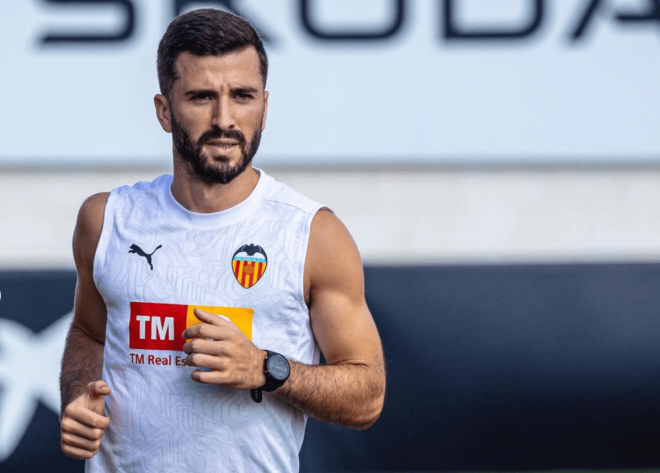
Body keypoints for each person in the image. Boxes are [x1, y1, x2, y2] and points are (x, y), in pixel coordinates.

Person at [58, 8, 386, 472]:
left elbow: (366, 398)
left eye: (243, 96)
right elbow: (90, 334)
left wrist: (266, 369)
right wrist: (78, 397)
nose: (225, 119)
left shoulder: (313, 234)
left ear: (265, 108)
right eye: (201, 97)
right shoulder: (106, 219)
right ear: (164, 111)